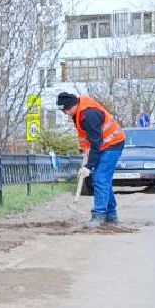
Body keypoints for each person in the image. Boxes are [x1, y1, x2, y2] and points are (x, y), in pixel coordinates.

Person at [56, 91, 126, 228]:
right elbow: (85, 138)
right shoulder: (77, 113)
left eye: (66, 110)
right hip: (102, 145)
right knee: (103, 180)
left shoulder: (89, 115)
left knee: (100, 178)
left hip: (113, 144)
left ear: (72, 105)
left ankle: (99, 216)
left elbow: (96, 143)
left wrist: (89, 167)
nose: (66, 114)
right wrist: (85, 154)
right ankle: (111, 215)